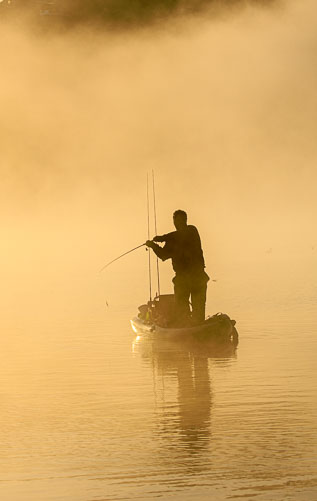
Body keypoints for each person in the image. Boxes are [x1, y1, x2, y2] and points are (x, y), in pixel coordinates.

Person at [146, 210, 209, 326]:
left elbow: (179, 235)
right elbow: (163, 255)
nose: (178, 223)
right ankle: (187, 330)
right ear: (174, 222)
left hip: (196, 278)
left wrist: (162, 238)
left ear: (186, 221)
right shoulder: (173, 240)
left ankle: (198, 330)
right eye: (177, 221)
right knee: (182, 310)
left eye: (180, 220)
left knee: (198, 311)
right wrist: (153, 246)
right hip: (185, 279)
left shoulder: (192, 231)